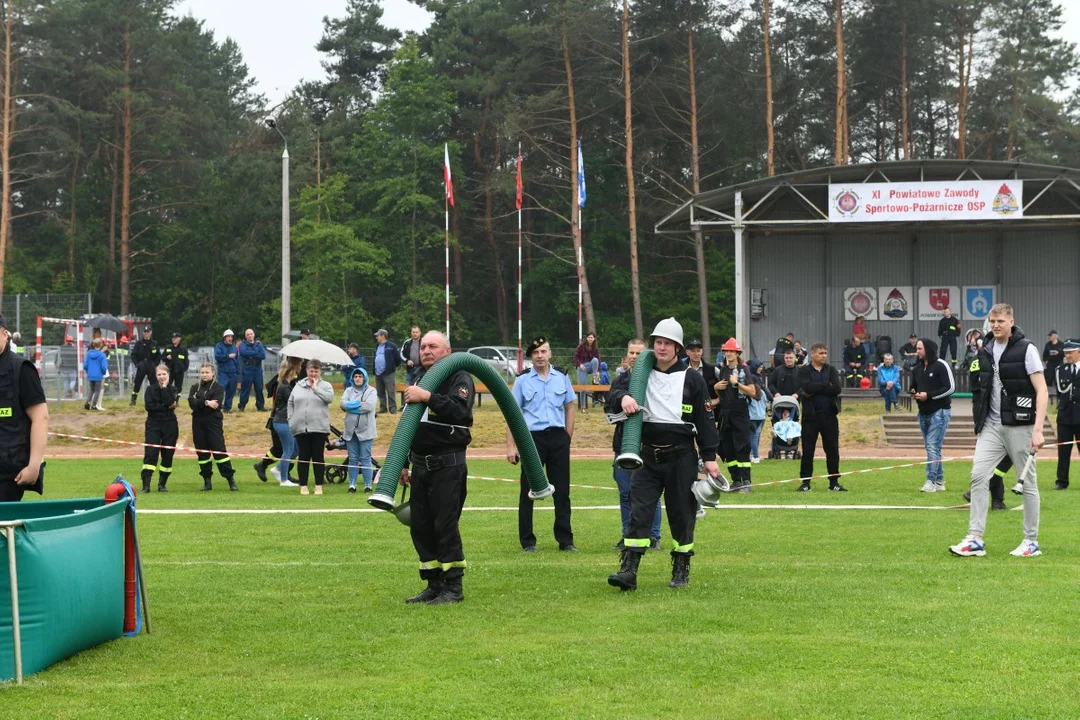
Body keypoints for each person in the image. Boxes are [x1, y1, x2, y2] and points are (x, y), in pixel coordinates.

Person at [606, 318, 721, 591]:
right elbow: (614, 391)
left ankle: (681, 568)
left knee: (682, 514)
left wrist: (709, 457)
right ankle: (628, 570)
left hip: (681, 457)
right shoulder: (639, 372)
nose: (661, 347)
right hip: (646, 456)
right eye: (658, 342)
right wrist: (623, 397)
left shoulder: (693, 379)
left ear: (677, 348)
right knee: (639, 511)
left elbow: (705, 421)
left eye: (667, 343)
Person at [951, 303, 1046, 558]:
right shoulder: (986, 349)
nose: (996, 325)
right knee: (978, 476)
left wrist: (1038, 430)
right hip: (991, 427)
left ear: (1011, 321)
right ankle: (975, 538)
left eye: (1001, 321)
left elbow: (1043, 390)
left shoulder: (1027, 349)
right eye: (992, 321)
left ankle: (1031, 541)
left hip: (1021, 426)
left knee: (1027, 484)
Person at [400, 331, 476, 605]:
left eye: (433, 346)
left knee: (445, 526)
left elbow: (460, 412)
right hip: (420, 468)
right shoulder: (420, 379)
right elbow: (411, 425)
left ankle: (453, 587)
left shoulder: (460, 378)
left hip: (447, 466)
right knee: (420, 527)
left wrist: (427, 397)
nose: (426, 351)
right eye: (423, 347)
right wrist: (404, 463)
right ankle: (433, 585)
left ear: (447, 351)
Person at [507, 335, 577, 552]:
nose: (540, 356)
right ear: (531, 356)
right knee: (528, 491)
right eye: (535, 353)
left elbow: (570, 408)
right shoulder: (522, 380)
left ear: (550, 353)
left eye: (543, 351)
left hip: (558, 438)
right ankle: (527, 541)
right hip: (531, 440)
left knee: (562, 491)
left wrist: (567, 437)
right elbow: (513, 414)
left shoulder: (562, 377)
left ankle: (565, 540)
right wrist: (512, 446)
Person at [606, 338, 663, 552]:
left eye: (639, 353)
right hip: (623, 445)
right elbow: (609, 407)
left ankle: (653, 535)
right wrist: (622, 400)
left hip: (649, 446)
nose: (634, 357)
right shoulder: (620, 380)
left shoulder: (657, 380)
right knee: (625, 492)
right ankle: (627, 535)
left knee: (651, 493)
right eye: (631, 352)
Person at [0, 312, 48, 502]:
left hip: (8, 471)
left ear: (5, 334)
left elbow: (41, 418)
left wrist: (34, 465)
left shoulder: (21, 369)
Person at [796, 343, 846, 492]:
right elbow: (806, 388)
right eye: (821, 353)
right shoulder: (804, 370)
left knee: (832, 450)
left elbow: (836, 388)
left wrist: (816, 387)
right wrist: (825, 386)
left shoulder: (831, 370)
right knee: (808, 450)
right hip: (810, 417)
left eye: (825, 353)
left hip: (829, 416)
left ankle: (834, 482)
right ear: (813, 353)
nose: (824, 355)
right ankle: (805, 483)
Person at [911, 339, 955, 492]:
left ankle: (931, 481)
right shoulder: (916, 369)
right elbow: (913, 386)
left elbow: (950, 388)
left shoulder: (941, 365)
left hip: (940, 411)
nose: (918, 351)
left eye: (920, 348)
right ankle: (939, 480)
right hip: (923, 413)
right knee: (933, 447)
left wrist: (928, 396)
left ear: (928, 349)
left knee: (932, 446)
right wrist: (913, 393)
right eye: (917, 348)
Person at [714, 338, 757, 492]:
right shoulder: (722, 369)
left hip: (740, 414)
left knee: (742, 447)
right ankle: (736, 480)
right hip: (725, 415)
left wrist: (737, 383)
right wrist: (716, 388)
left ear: (737, 353)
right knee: (727, 448)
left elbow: (753, 392)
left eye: (732, 351)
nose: (729, 354)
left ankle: (746, 482)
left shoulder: (744, 370)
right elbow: (721, 397)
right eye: (726, 351)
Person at [188, 363, 238, 491]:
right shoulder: (195, 387)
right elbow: (192, 403)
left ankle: (230, 480)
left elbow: (216, 404)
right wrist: (206, 402)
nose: (204, 375)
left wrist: (201, 401)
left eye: (207, 372)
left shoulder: (218, 388)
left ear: (213, 373)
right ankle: (207, 481)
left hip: (213, 421)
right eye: (202, 372)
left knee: (219, 450)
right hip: (198, 421)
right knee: (202, 452)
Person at [288, 358, 334, 495]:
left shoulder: (325, 385)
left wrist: (316, 389)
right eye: (311, 371)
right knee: (303, 457)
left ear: (320, 372)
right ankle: (303, 485)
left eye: (316, 371)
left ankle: (318, 485)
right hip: (301, 428)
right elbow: (291, 402)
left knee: (318, 457)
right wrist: (291, 419)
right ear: (306, 371)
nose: (313, 374)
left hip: (319, 428)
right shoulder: (299, 385)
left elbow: (329, 398)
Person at [253, 358, 300, 487]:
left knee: (296, 449)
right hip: (282, 422)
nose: (298, 370)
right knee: (288, 450)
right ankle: (284, 479)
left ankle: (278, 469)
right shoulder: (284, 387)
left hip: (286, 422)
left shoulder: (288, 385)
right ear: (291, 371)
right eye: (296, 368)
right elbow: (296, 402)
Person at [141, 364, 179, 493]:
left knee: (167, 455)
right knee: (151, 454)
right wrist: (165, 406)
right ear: (155, 376)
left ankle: (162, 484)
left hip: (170, 424)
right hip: (153, 424)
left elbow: (171, 403)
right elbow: (149, 407)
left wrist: (164, 389)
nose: (162, 377)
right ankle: (146, 485)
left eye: (164, 374)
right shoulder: (150, 389)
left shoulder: (173, 389)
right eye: (159, 374)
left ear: (168, 375)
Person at [340, 366, 377, 493]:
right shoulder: (348, 390)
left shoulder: (371, 391)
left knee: (366, 458)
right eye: (355, 376)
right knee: (353, 458)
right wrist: (357, 404)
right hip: (350, 430)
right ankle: (352, 485)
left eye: (360, 376)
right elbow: (342, 404)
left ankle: (368, 486)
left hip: (366, 430)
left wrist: (350, 406)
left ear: (364, 378)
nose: (358, 379)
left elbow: (368, 406)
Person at [1053, 338, 1080, 490]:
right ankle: (1061, 481)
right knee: (1063, 451)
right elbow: (1060, 392)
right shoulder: (1060, 370)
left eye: (1070, 353)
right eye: (1066, 353)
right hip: (1065, 416)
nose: (1067, 356)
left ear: (1079, 352)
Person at [129, 326, 159, 405]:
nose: (146, 334)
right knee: (137, 383)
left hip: (151, 365)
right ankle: (133, 399)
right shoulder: (139, 343)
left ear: (151, 333)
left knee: (154, 383)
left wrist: (155, 364)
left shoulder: (154, 344)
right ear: (143, 333)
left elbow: (158, 356)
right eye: (145, 332)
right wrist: (137, 364)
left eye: (148, 332)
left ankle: (155, 399)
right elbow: (133, 355)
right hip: (141, 365)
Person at [237, 328, 267, 412]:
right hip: (247, 369)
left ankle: (260, 406)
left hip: (257, 369)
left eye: (251, 334)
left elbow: (263, 356)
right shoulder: (242, 345)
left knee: (259, 388)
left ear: (254, 335)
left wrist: (251, 353)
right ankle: (242, 406)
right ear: (245, 336)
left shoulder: (259, 344)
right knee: (245, 388)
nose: (250, 335)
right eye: (248, 334)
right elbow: (243, 353)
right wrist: (255, 352)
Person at [373, 329, 400, 414]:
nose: (376, 337)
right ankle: (383, 408)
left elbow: (398, 359)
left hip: (388, 372)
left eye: (378, 335)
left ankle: (392, 408)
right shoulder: (377, 346)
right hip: (378, 372)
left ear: (383, 336)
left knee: (390, 391)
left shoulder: (392, 346)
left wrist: (392, 367)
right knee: (380, 391)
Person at [573, 332, 602, 412]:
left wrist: (598, 371)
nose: (590, 339)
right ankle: (583, 407)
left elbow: (598, 360)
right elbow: (575, 357)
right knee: (583, 388)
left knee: (595, 360)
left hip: (591, 366)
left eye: (591, 337)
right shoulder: (581, 346)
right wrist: (580, 364)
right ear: (586, 338)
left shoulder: (595, 348)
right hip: (582, 367)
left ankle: (595, 378)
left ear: (594, 339)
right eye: (589, 337)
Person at [747, 359, 768, 463]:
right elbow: (765, 403)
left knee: (752, 436)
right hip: (761, 417)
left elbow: (747, 404)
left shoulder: (750, 392)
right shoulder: (762, 392)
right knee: (756, 435)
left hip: (752, 417)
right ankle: (754, 455)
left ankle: (754, 456)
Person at [214, 329, 240, 412]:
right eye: (228, 336)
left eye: (231, 337)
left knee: (231, 390)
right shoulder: (219, 346)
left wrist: (237, 371)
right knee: (221, 389)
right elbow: (218, 357)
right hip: (223, 372)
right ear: (224, 338)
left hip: (233, 372)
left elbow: (237, 360)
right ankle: (217, 406)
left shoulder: (234, 348)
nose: (230, 338)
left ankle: (227, 408)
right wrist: (228, 356)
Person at [83, 338, 109, 411]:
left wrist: (88, 371)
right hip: (98, 375)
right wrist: (103, 373)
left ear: (93, 345)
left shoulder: (88, 354)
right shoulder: (102, 355)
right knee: (97, 390)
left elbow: (85, 365)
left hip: (91, 375)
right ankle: (94, 405)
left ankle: (88, 402)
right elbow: (104, 367)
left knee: (92, 389)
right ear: (100, 345)